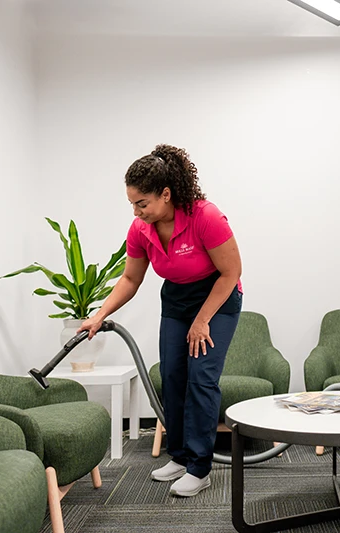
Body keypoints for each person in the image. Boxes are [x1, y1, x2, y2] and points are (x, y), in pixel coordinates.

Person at [78, 144, 243, 497]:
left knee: (201, 378)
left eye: (142, 203)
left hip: (218, 297)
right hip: (177, 300)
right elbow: (130, 279)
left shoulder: (205, 217)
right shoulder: (141, 230)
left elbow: (231, 273)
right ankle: (181, 457)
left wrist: (202, 321)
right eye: (132, 204)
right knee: (171, 376)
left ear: (166, 195)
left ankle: (200, 469)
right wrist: (99, 315)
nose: (137, 212)